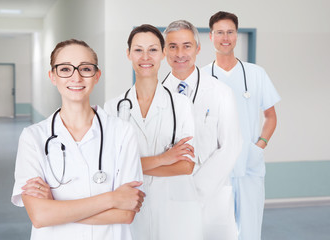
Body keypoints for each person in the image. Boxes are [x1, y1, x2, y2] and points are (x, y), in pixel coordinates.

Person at [11, 39, 145, 240]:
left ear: (97, 75)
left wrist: (56, 207)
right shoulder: (33, 137)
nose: (76, 77)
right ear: (52, 76)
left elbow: (125, 214)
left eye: (85, 68)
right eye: (65, 69)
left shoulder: (122, 132)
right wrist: (112, 198)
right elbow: (39, 216)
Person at [104, 24, 203, 240]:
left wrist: (134, 166)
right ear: (128, 53)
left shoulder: (181, 104)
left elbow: (186, 166)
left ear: (163, 53)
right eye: (138, 50)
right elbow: (112, 167)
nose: (145, 57)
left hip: (174, 209)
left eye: (153, 49)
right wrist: (165, 159)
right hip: (132, 209)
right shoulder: (112, 108)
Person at [202, 11, 281, 240]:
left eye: (230, 32)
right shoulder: (202, 77)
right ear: (211, 36)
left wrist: (259, 146)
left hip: (249, 166)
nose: (225, 38)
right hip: (214, 169)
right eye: (219, 32)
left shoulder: (256, 74)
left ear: (236, 35)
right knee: (215, 233)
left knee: (249, 233)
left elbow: (271, 116)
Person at [162, 20, 242, 240]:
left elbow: (230, 146)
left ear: (197, 49)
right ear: (164, 51)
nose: (180, 53)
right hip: (168, 199)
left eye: (187, 46)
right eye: (172, 46)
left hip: (211, 198)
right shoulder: (156, 96)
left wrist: (195, 191)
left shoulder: (220, 92)